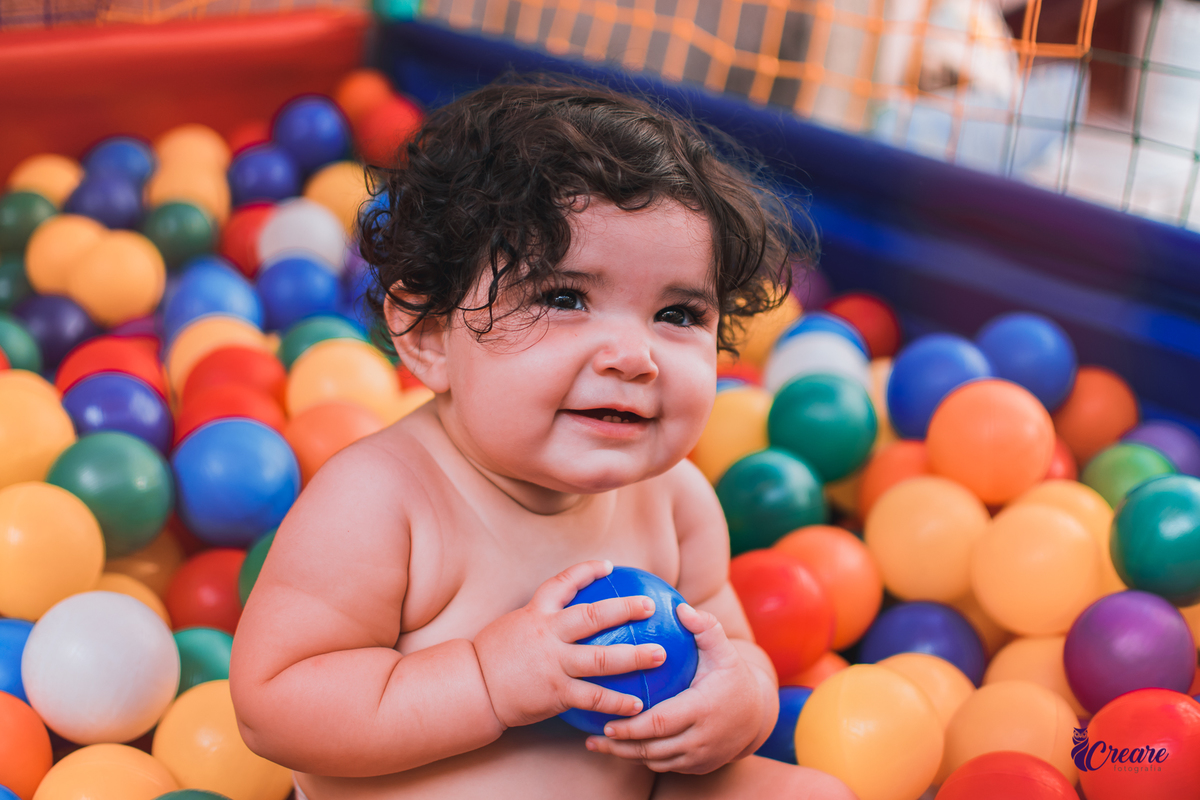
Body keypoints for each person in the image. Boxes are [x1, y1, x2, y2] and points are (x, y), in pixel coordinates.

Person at [229, 77, 855, 800]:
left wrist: (738, 701)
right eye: (565, 298)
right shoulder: (383, 499)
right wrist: (488, 681)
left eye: (679, 314)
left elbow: (733, 647)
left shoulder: (675, 499)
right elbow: (273, 706)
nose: (634, 355)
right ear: (430, 334)